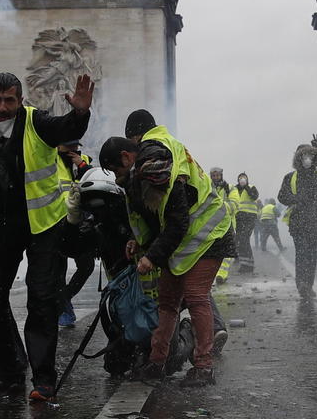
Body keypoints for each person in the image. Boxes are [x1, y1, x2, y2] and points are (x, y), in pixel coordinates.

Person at [0, 71, 92, 402]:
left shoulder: (38, 122)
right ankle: (4, 373)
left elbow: (67, 129)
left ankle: (44, 380)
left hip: (42, 224)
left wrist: (80, 112)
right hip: (1, 224)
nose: (2, 107)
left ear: (20, 101)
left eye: (9, 100)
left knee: (42, 300)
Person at [101, 135, 232, 386]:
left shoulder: (158, 173)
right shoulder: (140, 178)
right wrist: (140, 242)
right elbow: (157, 220)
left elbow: (177, 222)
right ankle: (156, 362)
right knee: (168, 302)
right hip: (184, 242)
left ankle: (204, 367)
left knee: (196, 297)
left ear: (127, 158)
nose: (116, 176)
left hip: (211, 236)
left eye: (115, 169)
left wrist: (151, 257)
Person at [278, 142, 317, 300]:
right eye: (303, 155)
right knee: (302, 253)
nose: (307, 158)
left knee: (311, 256)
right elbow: (282, 196)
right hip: (298, 223)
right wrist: (297, 198)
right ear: (298, 158)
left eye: (310, 155)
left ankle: (308, 285)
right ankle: (302, 285)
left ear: (314, 156)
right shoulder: (290, 177)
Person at [55, 141, 96, 328]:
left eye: (75, 146)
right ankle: (64, 309)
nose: (72, 150)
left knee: (86, 265)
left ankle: (64, 298)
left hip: (79, 223)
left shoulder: (83, 160)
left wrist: (81, 165)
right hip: (56, 221)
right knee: (59, 270)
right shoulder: (50, 161)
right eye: (68, 146)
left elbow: (95, 182)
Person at [226, 173, 259, 274]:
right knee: (239, 241)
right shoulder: (235, 189)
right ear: (238, 180)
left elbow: (254, 196)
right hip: (239, 218)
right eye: (240, 178)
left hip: (250, 217)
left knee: (244, 238)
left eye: (244, 178)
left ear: (247, 179)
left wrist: (246, 187)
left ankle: (249, 265)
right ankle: (245, 265)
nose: (242, 180)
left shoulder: (251, 187)